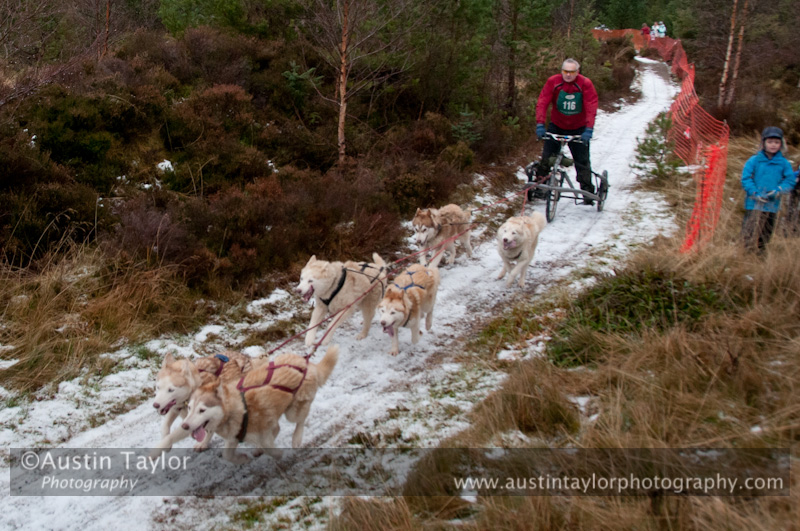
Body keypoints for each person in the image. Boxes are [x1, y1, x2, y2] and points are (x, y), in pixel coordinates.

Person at [530, 58, 598, 205]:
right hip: (557, 125)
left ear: (577, 72)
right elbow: (542, 102)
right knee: (547, 158)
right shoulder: (553, 82)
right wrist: (540, 124)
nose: (568, 75)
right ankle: (541, 187)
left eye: (572, 72)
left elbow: (591, 106)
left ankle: (587, 191)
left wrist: (589, 128)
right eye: (565, 71)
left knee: (582, 161)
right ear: (561, 71)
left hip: (578, 128)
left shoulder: (585, 84)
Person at [740, 126, 797, 253]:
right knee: (748, 231)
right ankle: (745, 255)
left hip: (772, 204)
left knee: (766, 233)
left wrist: (778, 191)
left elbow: (789, 181)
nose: (773, 145)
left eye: (776, 142)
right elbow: (746, 178)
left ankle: (761, 255)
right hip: (753, 203)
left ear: (781, 144)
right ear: (763, 143)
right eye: (770, 142)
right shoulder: (754, 160)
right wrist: (754, 192)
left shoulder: (784, 163)